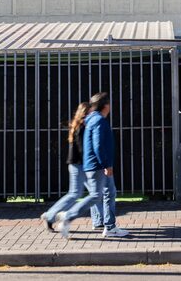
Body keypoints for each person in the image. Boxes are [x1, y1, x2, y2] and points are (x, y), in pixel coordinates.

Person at [55, 92, 129, 239]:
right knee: (99, 195)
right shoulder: (99, 121)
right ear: (106, 106)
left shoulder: (89, 119)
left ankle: (108, 225)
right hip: (98, 165)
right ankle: (69, 216)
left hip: (91, 164)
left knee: (105, 193)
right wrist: (106, 165)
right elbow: (99, 145)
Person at [38, 101, 102, 232]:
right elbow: (83, 149)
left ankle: (99, 220)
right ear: (87, 112)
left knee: (92, 194)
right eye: (91, 111)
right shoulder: (83, 127)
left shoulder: (76, 125)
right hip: (80, 165)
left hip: (77, 164)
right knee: (79, 193)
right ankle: (50, 216)